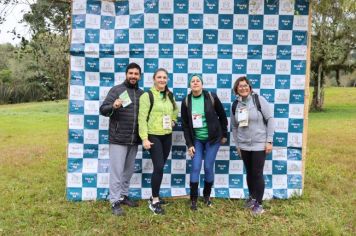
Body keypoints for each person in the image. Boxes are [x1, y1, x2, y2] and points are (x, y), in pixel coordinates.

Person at [99, 63, 144, 216]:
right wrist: (114, 105)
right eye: (130, 73)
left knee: (128, 171)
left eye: (136, 73)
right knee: (117, 172)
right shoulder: (117, 90)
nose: (133, 76)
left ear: (140, 76)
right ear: (126, 74)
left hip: (134, 140)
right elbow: (103, 110)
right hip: (118, 139)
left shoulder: (142, 94)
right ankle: (114, 201)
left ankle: (123, 196)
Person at [181, 74, 228, 211]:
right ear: (190, 85)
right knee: (195, 167)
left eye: (198, 81)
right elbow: (184, 124)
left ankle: (206, 196)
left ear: (202, 84)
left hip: (213, 139)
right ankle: (193, 199)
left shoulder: (211, 97)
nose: (195, 83)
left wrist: (224, 134)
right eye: (192, 81)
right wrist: (189, 144)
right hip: (197, 140)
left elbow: (223, 116)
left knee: (208, 166)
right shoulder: (186, 101)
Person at [231, 76, 275, 215]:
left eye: (245, 85)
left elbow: (270, 119)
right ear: (236, 89)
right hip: (244, 145)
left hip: (259, 144)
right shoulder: (235, 105)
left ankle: (259, 204)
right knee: (249, 172)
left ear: (250, 88)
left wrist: (269, 141)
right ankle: (252, 197)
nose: (243, 88)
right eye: (240, 86)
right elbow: (234, 127)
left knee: (257, 173)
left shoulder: (259, 100)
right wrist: (238, 145)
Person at [138, 68, 178, 215]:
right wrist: (144, 138)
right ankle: (154, 201)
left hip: (167, 136)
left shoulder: (169, 95)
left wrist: (173, 120)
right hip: (153, 136)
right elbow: (141, 118)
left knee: (160, 167)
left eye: (164, 77)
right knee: (159, 166)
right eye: (159, 77)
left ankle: (155, 195)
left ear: (167, 80)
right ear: (154, 79)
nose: (162, 80)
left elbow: (175, 110)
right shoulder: (147, 96)